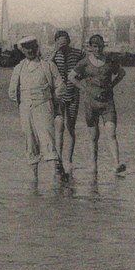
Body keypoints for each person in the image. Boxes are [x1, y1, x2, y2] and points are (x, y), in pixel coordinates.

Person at [8, 36, 67, 182]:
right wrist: (24, 102)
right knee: (30, 140)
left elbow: (61, 86)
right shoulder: (18, 68)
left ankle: (56, 178)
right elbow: (12, 92)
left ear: (37, 47)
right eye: (26, 48)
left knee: (47, 139)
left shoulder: (47, 65)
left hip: (44, 106)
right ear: (22, 50)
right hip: (26, 109)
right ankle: (33, 179)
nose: (30, 50)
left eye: (33, 47)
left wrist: (52, 101)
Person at [71, 34, 126, 175]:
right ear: (90, 47)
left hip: (108, 103)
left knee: (111, 133)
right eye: (95, 47)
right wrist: (84, 89)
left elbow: (121, 73)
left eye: (100, 46)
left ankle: (116, 164)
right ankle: (93, 166)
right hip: (90, 104)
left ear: (103, 46)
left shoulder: (110, 61)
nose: (98, 49)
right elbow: (71, 77)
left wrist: (112, 85)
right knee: (93, 137)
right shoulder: (84, 63)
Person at [51, 30, 85, 168]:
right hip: (58, 96)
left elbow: (86, 67)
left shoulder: (78, 53)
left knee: (70, 126)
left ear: (69, 41)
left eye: (65, 42)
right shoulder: (52, 55)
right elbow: (45, 66)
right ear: (56, 42)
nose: (62, 46)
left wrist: (80, 80)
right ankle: (58, 159)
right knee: (59, 126)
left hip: (73, 94)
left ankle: (68, 160)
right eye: (59, 42)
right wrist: (55, 51)